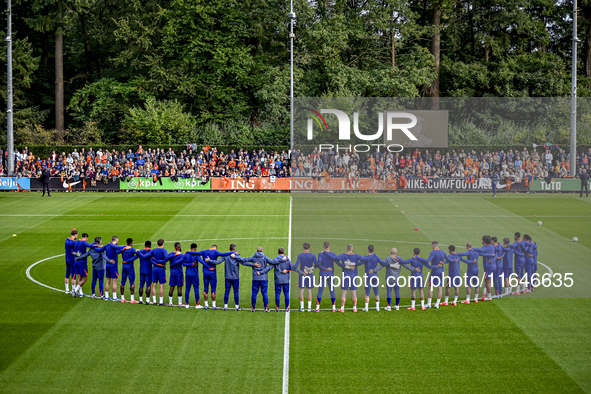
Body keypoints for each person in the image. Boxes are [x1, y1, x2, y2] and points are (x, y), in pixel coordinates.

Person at [186, 245, 234, 310]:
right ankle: (214, 306)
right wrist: (233, 252)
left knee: (205, 289)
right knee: (213, 289)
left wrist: (187, 252)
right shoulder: (216, 252)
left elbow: (193, 252)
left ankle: (206, 305)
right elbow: (223, 254)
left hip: (205, 273)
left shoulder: (204, 251)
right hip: (212, 273)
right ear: (215, 248)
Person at [327, 244, 365, 313]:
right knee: (354, 293)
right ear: (352, 249)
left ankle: (342, 308)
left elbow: (334, 259)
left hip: (345, 277)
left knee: (344, 293)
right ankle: (354, 308)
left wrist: (325, 252)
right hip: (353, 277)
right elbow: (363, 261)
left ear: (346, 249)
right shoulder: (356, 255)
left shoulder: (343, 255)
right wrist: (355, 264)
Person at [211, 244, 249, 311]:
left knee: (227, 291)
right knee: (236, 292)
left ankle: (225, 306)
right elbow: (244, 262)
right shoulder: (237, 256)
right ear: (235, 249)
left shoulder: (226, 255)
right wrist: (253, 265)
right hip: (235, 277)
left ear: (229, 249)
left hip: (227, 277)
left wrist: (209, 260)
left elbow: (217, 262)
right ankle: (237, 307)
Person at [234, 246, 273, 312]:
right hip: (263, 278)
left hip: (255, 278)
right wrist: (263, 271)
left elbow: (244, 260)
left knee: (254, 293)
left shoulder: (254, 257)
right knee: (264, 293)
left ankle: (253, 308)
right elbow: (272, 263)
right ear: (262, 251)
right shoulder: (265, 257)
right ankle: (266, 309)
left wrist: (235, 257)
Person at [413, 241, 446, 309]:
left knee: (431, 287)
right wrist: (443, 262)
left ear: (433, 245)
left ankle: (429, 304)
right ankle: (437, 304)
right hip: (441, 271)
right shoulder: (443, 252)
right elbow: (448, 260)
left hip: (435, 272)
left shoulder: (433, 252)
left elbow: (427, 261)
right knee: (440, 287)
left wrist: (417, 257)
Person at [152, 242, 186, 306]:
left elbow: (164, 261)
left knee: (171, 287)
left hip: (172, 273)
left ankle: (170, 303)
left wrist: (155, 260)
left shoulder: (171, 254)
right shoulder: (181, 255)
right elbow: (182, 263)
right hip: (179, 273)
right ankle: (180, 303)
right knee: (179, 288)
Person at [292, 243, 317, 312]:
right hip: (310, 275)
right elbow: (316, 264)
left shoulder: (300, 255)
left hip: (302, 275)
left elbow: (296, 265)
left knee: (301, 291)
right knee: (309, 291)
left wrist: (289, 268)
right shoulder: (313, 255)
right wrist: (311, 268)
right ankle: (309, 308)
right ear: (309, 247)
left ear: (303, 247)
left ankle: (302, 308)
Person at [358, 245, 383, 312]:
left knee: (367, 293)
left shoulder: (366, 257)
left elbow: (361, 263)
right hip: (375, 276)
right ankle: (377, 307)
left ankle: (366, 308)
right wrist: (375, 270)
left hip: (368, 276)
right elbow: (382, 264)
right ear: (373, 250)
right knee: (376, 292)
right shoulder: (376, 257)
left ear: (368, 250)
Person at [315, 242, 338, 312]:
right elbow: (338, 262)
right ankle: (334, 308)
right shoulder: (333, 254)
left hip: (322, 274)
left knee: (320, 290)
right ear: (330, 246)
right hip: (330, 275)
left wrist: (325, 269)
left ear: (323, 247)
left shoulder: (320, 254)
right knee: (332, 291)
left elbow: (318, 264)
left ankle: (317, 308)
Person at [472, 235, 496, 301]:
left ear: (484, 241)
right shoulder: (492, 246)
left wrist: (473, 249)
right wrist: (491, 255)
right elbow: (494, 254)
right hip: (493, 265)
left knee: (488, 281)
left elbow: (480, 251)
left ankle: (489, 296)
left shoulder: (485, 247)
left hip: (488, 266)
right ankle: (484, 294)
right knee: (486, 280)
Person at [183, 243, 206, 309]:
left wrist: (190, 264)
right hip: (194, 274)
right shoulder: (196, 255)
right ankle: (197, 305)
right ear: (195, 248)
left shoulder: (186, 255)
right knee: (196, 289)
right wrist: (209, 266)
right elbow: (202, 262)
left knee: (187, 289)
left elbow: (183, 263)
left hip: (187, 274)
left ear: (190, 248)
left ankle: (187, 304)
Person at [73, 233, 95, 297]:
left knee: (79, 277)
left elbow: (73, 250)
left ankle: (81, 293)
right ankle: (75, 290)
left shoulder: (76, 242)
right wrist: (97, 245)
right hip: (82, 262)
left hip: (76, 261)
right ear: (86, 237)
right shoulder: (84, 242)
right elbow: (90, 246)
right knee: (85, 278)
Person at [147, 238, 168, 305]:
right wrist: (160, 263)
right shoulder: (164, 250)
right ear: (163, 244)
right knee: (161, 285)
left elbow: (150, 259)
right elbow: (166, 258)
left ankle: (154, 301)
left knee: (154, 285)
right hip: (161, 269)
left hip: (154, 269)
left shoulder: (153, 250)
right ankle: (161, 301)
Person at [105, 236, 125, 301]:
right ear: (116, 240)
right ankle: (114, 297)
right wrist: (125, 247)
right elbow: (118, 250)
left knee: (108, 280)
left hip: (107, 264)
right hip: (113, 266)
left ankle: (106, 296)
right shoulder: (114, 246)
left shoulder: (107, 245)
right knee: (114, 281)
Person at [119, 238, 140, 303]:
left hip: (124, 266)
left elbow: (117, 250)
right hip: (130, 266)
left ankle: (122, 298)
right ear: (131, 243)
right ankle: (132, 299)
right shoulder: (132, 249)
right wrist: (132, 259)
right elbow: (138, 254)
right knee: (131, 282)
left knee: (122, 282)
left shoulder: (123, 248)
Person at [64, 230, 78, 295]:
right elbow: (73, 252)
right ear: (75, 235)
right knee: (73, 276)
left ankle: (66, 290)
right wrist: (77, 254)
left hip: (67, 259)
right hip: (72, 260)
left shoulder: (67, 240)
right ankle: (73, 290)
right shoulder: (74, 243)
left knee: (67, 275)